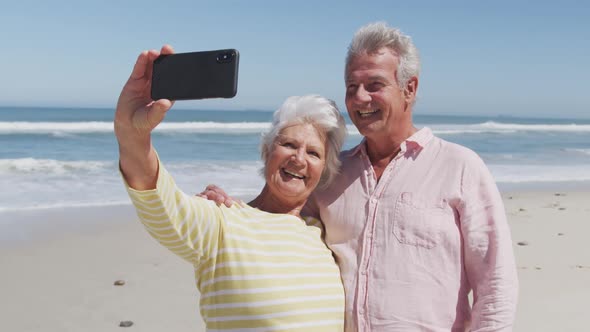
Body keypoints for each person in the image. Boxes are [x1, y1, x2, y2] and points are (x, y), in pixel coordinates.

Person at [202, 22, 519, 331]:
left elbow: (496, 282)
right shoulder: (333, 173)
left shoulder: (460, 167)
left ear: (410, 88)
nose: (360, 98)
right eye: (352, 87)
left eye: (375, 85)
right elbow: (282, 220)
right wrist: (231, 210)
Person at [115, 45, 348, 331]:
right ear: (266, 151)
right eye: (288, 144)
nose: (298, 158)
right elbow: (163, 206)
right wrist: (132, 135)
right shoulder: (224, 221)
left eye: (313, 153)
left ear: (325, 169)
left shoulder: (324, 234)